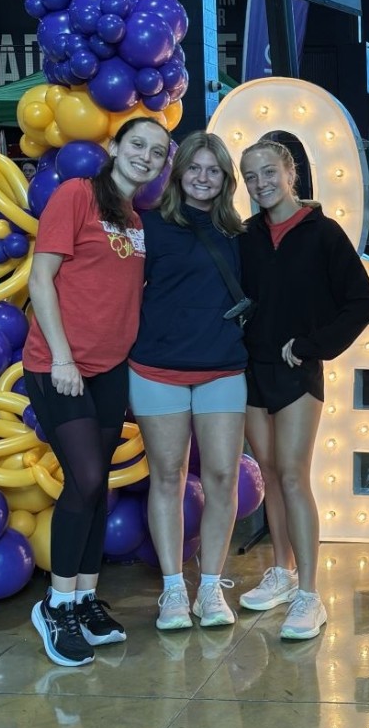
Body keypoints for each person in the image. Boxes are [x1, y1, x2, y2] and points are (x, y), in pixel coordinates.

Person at [23, 116, 171, 666]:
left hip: (110, 370)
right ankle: (56, 605)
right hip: (59, 366)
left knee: (96, 484)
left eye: (157, 153)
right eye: (137, 145)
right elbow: (41, 279)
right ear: (114, 146)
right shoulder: (76, 195)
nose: (146, 157)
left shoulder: (135, 218)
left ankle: (83, 598)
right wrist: (62, 356)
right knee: (83, 478)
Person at [236, 138, 369, 639]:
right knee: (270, 473)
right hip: (250, 371)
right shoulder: (246, 235)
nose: (260, 183)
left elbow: (362, 301)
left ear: (290, 171)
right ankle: (281, 571)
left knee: (294, 475)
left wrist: (313, 345)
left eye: (269, 171)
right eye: (251, 177)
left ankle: (309, 595)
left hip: (297, 373)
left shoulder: (323, 233)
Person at [128, 132, 248, 631]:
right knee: (169, 477)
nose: (202, 177)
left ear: (225, 180)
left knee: (222, 476)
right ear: (178, 175)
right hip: (157, 368)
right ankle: (174, 590)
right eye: (194, 168)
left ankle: (210, 587)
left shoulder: (239, 235)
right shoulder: (149, 227)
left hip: (222, 367)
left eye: (213, 170)